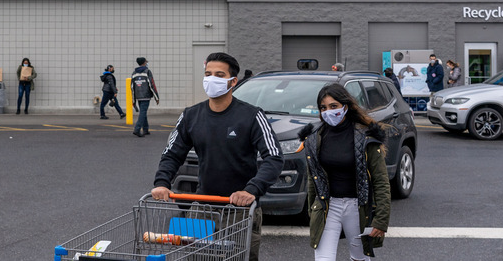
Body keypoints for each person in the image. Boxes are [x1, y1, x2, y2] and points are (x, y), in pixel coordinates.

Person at [151, 52, 283, 261]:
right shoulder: (191, 116)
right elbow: (172, 154)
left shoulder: (251, 115)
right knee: (199, 258)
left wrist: (251, 190)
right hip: (202, 207)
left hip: (239, 210)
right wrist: (162, 182)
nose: (212, 79)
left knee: (239, 257)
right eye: (208, 74)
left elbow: (274, 157)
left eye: (219, 74)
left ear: (233, 81)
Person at [300, 83, 390, 261]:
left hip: (357, 207)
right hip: (328, 206)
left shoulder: (365, 137)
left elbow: (381, 181)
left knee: (359, 258)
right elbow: (314, 179)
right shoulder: (314, 138)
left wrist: (381, 220)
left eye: (334, 106)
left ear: (345, 107)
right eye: (323, 108)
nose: (328, 112)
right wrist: (313, 211)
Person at [130, 57, 159, 137]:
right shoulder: (147, 71)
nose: (147, 62)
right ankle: (137, 129)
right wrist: (156, 97)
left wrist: (133, 99)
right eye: (146, 61)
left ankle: (145, 129)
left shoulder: (134, 73)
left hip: (138, 95)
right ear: (144, 63)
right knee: (143, 112)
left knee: (143, 112)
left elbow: (132, 86)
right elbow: (152, 84)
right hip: (146, 95)